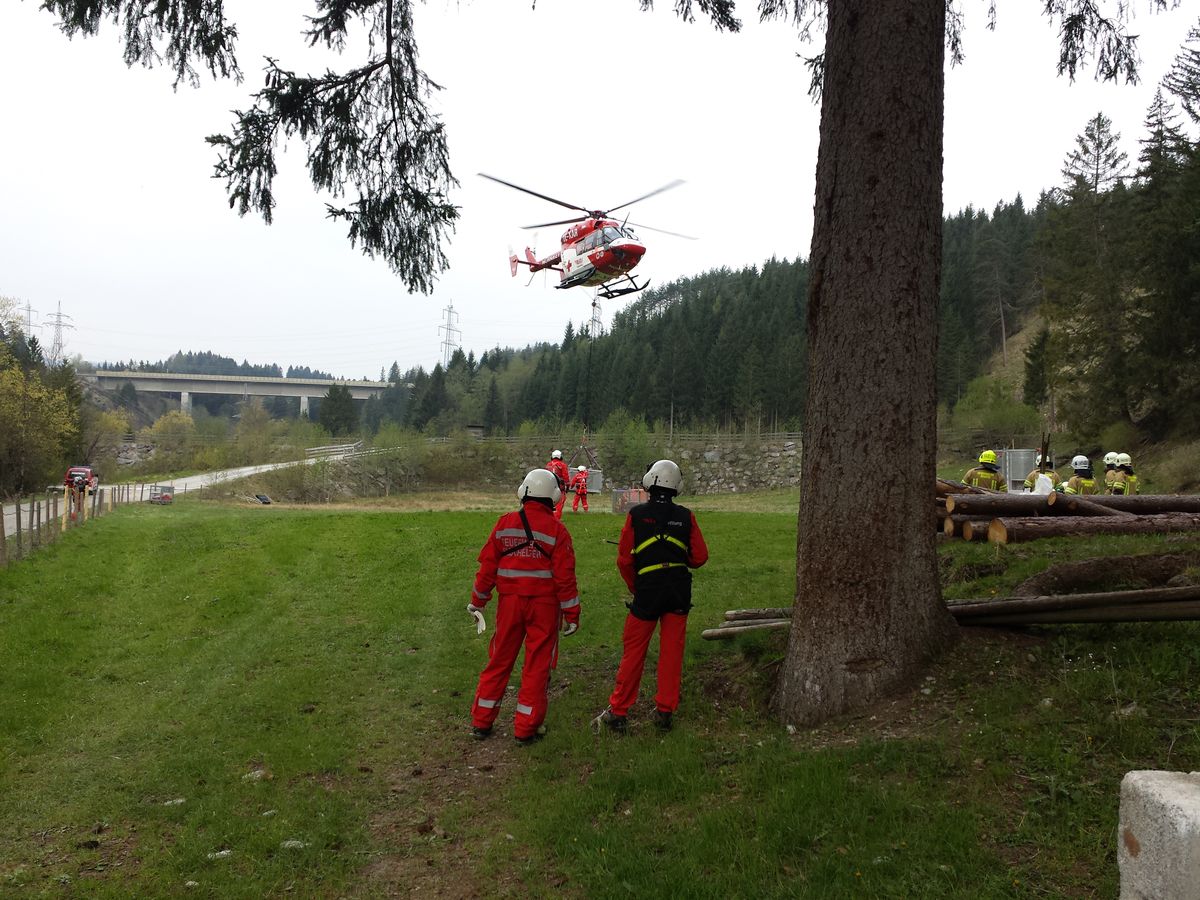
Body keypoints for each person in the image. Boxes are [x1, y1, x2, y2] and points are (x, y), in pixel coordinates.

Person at [596, 459, 709, 734]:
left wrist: (637, 587)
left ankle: (619, 711)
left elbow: (624, 560)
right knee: (672, 653)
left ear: (650, 481)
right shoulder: (686, 516)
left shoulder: (636, 516)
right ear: (676, 486)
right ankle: (665, 712)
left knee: (634, 651)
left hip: (647, 592)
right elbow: (700, 557)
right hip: (678, 591)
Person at [467, 469, 580, 744]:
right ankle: (525, 728)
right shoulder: (557, 531)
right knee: (537, 665)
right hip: (544, 607)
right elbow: (565, 577)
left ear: (524, 492)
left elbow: (488, 568)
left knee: (499, 659)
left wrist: (477, 601)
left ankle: (482, 722)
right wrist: (572, 614)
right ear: (553, 497)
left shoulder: (505, 524)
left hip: (509, 605)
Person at [547, 449, 570, 519]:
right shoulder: (562, 465)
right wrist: (568, 486)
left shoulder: (548, 465)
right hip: (559, 488)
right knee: (559, 504)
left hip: (549, 487)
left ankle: (549, 517)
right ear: (560, 457)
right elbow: (566, 477)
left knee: (548, 503)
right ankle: (556, 519)